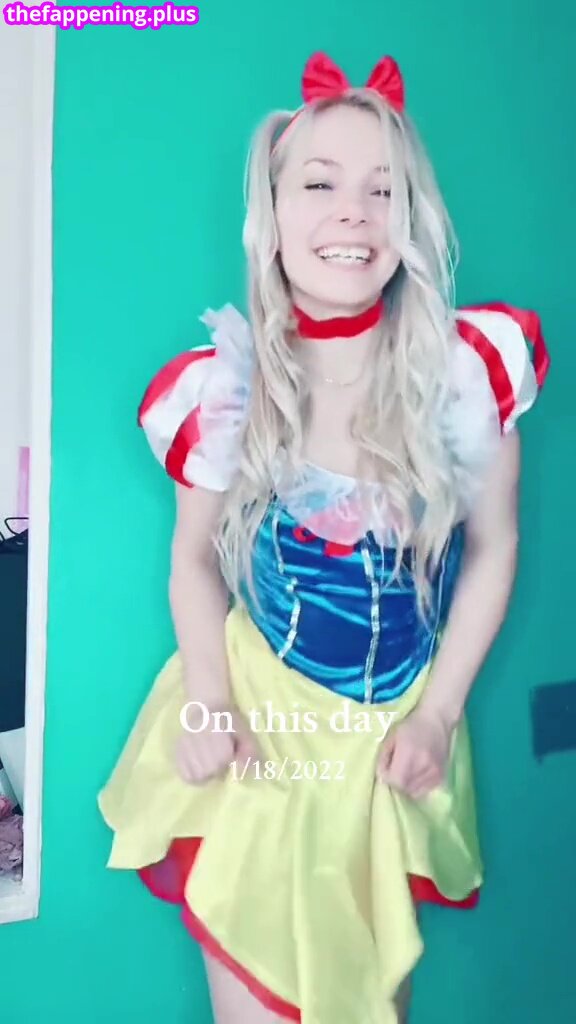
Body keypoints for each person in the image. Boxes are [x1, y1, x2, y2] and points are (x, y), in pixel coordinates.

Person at [98, 51, 550, 1024]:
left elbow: (497, 545)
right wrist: (209, 703)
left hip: (393, 739)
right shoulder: (226, 388)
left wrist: (439, 715)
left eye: (383, 189)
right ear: (271, 210)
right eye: (320, 183)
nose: (355, 213)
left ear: (411, 218)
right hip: (261, 729)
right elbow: (192, 560)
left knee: (368, 996)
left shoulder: (463, 373)